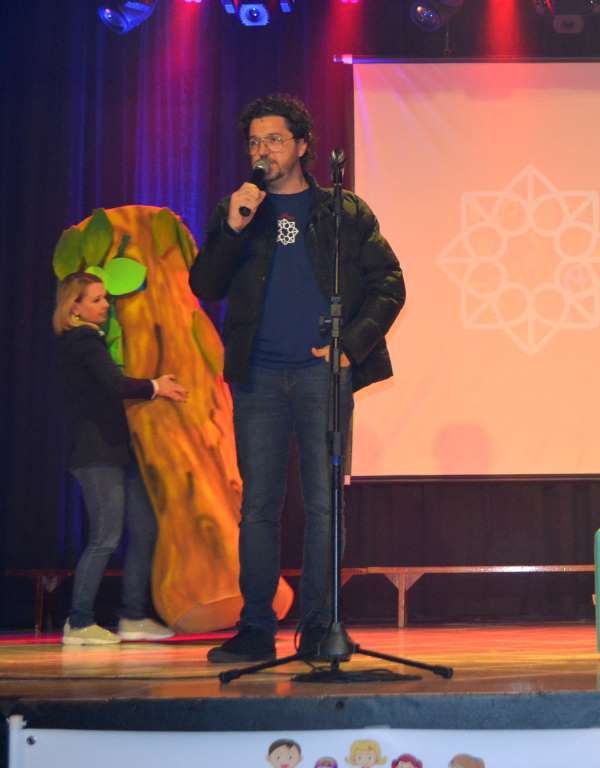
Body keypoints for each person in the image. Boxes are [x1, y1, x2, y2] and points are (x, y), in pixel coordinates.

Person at [190, 94, 405, 664]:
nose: (262, 151)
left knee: (324, 504)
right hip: (257, 378)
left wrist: (349, 348)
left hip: (320, 376)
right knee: (258, 506)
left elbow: (390, 283)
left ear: (303, 146)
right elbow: (205, 285)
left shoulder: (342, 210)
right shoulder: (239, 210)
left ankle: (318, 626)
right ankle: (255, 627)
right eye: (254, 142)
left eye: (274, 140)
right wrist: (232, 228)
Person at [53, 272, 188, 645]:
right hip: (96, 453)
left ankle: (133, 616)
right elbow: (115, 385)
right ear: (74, 307)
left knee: (145, 529)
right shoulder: (82, 341)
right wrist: (156, 386)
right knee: (105, 537)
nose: (105, 305)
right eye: (96, 299)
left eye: (105, 298)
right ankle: (79, 622)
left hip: (117, 451)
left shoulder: (90, 340)